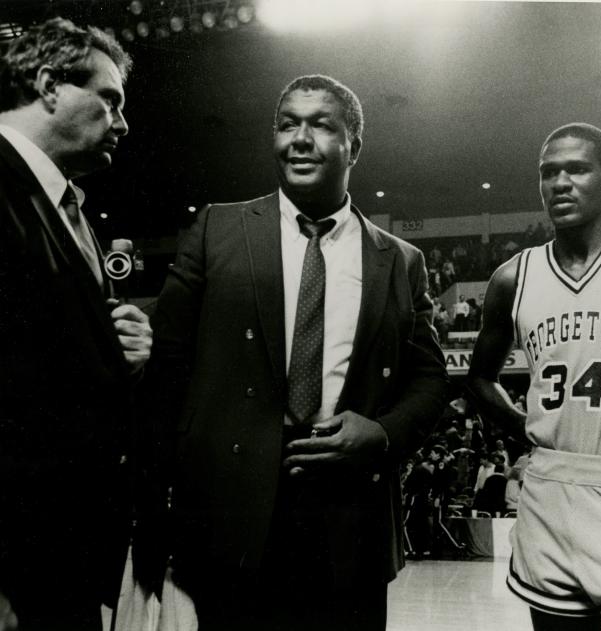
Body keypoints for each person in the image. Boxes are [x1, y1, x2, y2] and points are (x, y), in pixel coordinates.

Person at [146, 74, 448, 631]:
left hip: (348, 517)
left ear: (353, 146)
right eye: (288, 125)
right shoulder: (219, 228)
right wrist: (160, 503)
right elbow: (167, 365)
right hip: (230, 517)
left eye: (320, 125)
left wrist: (382, 434)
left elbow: (430, 380)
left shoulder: (399, 259)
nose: (300, 139)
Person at [467, 123, 601, 631]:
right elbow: (478, 380)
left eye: (577, 169)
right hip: (549, 493)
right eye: (548, 173)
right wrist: (529, 433)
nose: (560, 182)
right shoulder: (513, 278)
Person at [0, 17, 152, 630]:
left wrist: (124, 353)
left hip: (59, 550)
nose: (121, 121)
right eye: (109, 99)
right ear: (48, 85)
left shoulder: (66, 207)